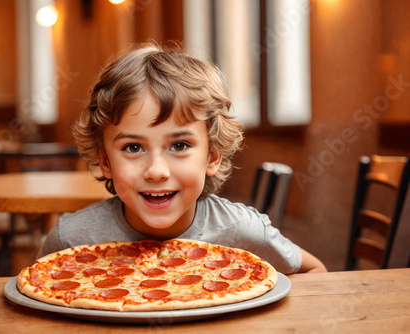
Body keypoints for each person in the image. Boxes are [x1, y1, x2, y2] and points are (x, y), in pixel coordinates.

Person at [37, 43, 327, 274]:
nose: (157, 171)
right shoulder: (70, 240)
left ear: (212, 156)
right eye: (133, 148)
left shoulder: (244, 231)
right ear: (105, 161)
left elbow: (315, 272)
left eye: (178, 145)